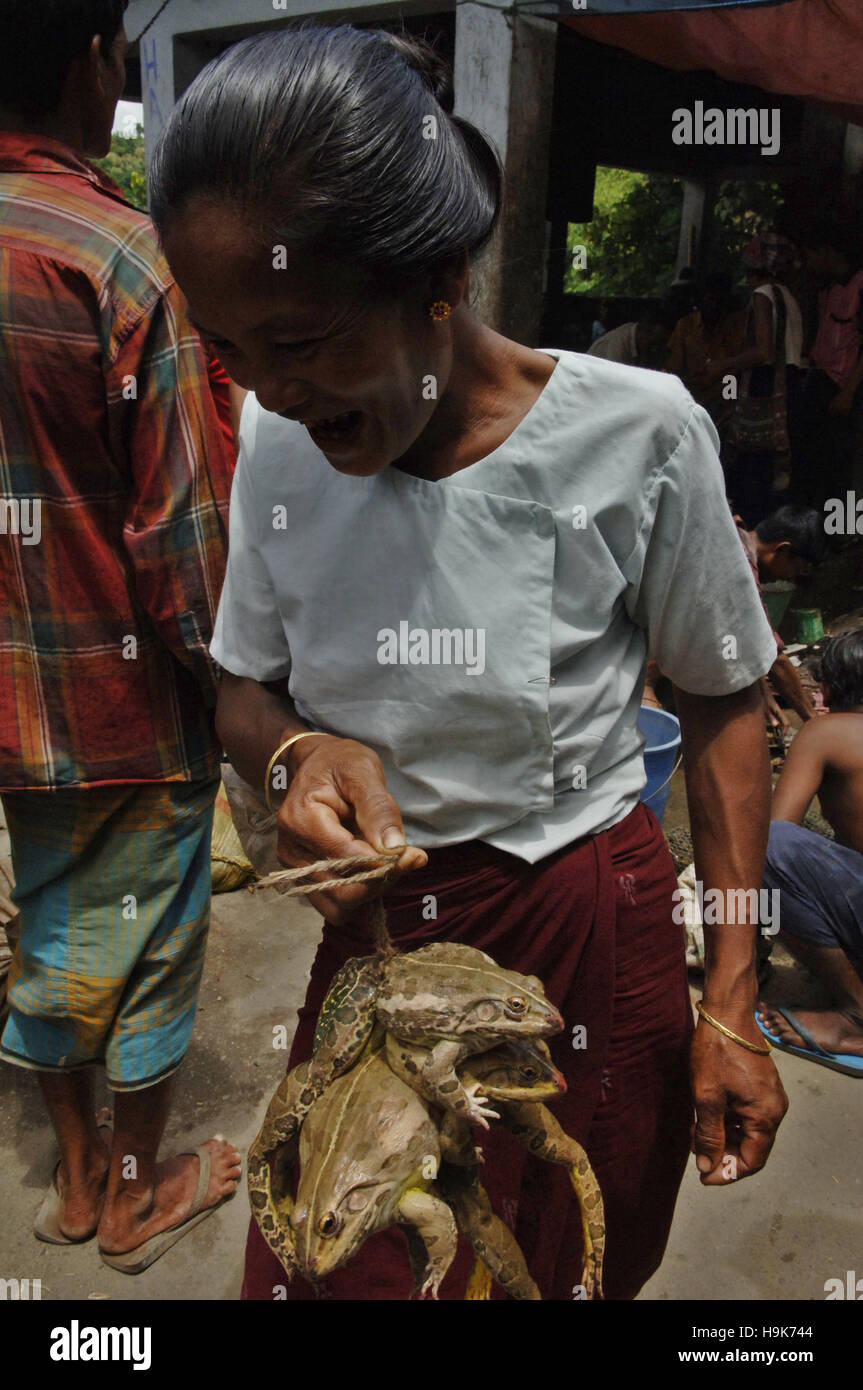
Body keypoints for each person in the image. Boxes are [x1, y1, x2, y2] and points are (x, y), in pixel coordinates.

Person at [150, 23, 787, 1301]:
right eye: (230, 352)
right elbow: (240, 688)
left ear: (438, 275)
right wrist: (294, 757)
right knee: (332, 1259)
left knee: (547, 1264)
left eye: (305, 339)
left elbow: (722, 701)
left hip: (579, 937)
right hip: (383, 936)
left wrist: (730, 996)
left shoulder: (638, 435)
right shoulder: (276, 444)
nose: (266, 391)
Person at [0, 0, 242, 1269]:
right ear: (95, 60)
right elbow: (180, 541)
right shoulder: (123, 256)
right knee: (150, 949)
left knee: (49, 925)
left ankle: (78, 1177)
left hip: (10, 705)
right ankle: (136, 1191)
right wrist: (239, 694)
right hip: (127, 699)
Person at [757, 628, 863, 1067]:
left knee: (763, 846)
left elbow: (777, 832)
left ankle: (856, 1015)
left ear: (827, 688)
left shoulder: (827, 732)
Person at [703, 234, 804, 527]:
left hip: (767, 385)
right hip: (791, 384)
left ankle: (751, 533)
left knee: (753, 469)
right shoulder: (788, 296)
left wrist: (722, 367)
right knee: (776, 472)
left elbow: (762, 351)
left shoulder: (762, 296)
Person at [735, 506, 826, 731]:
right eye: (796, 570)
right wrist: (814, 721)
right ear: (783, 550)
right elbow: (773, 655)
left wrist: (763, 690)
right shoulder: (738, 566)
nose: (791, 579)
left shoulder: (734, 534)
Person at [793, 219, 863, 511]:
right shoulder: (826, 289)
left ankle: (839, 535)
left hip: (843, 389)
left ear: (826, 252)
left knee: (839, 467)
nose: (810, 262)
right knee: (812, 462)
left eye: (812, 254)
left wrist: (847, 393)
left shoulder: (859, 285)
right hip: (820, 383)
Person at [666, 272, 746, 446]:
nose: (715, 306)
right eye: (710, 300)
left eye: (720, 301)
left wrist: (728, 402)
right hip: (692, 402)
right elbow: (674, 371)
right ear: (700, 300)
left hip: (724, 405)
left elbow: (734, 372)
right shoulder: (685, 327)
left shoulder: (735, 326)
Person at [587, 304, 671, 369]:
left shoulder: (641, 344)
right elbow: (614, 378)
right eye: (653, 343)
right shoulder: (620, 342)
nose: (654, 349)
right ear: (643, 331)